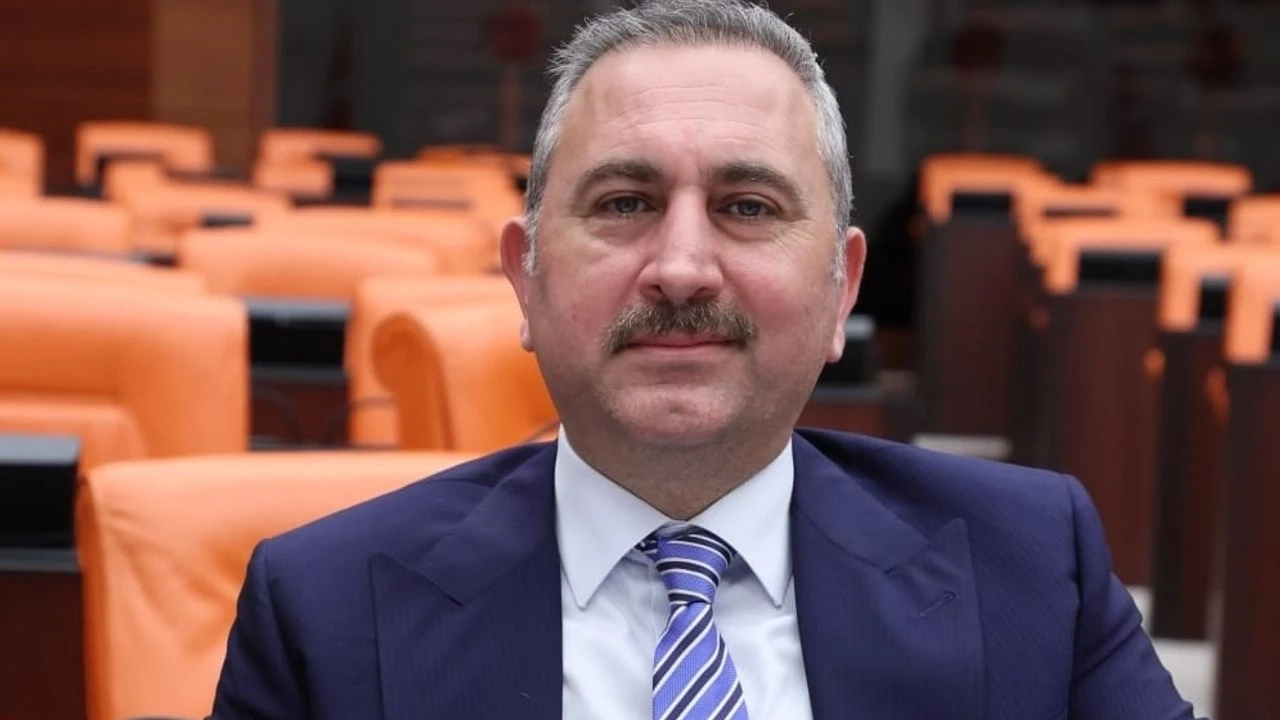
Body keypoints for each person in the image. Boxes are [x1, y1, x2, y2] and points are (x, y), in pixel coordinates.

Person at [211, 1, 1200, 718]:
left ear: (841, 289)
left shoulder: (1031, 565)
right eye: (624, 204)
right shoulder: (322, 611)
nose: (680, 268)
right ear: (525, 277)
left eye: (748, 207)